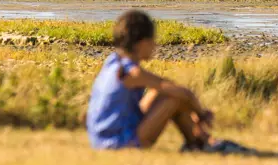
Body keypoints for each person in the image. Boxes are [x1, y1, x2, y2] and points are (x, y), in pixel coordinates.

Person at [87, 10, 214, 151]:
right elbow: (185, 94)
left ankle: (198, 140)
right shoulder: (131, 73)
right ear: (142, 43)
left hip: (102, 139)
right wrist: (201, 114)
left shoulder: (113, 62)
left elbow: (166, 86)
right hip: (118, 143)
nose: (155, 46)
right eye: (153, 41)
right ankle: (200, 143)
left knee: (161, 92)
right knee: (175, 99)